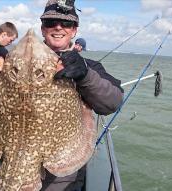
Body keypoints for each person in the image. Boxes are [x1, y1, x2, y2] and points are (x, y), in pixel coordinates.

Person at [39, 0, 124, 190]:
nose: (58, 27)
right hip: (18, 159)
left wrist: (85, 75)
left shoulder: (90, 67)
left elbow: (113, 102)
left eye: (66, 23)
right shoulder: (22, 60)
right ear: (43, 29)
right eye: (51, 22)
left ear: (74, 30)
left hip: (62, 176)